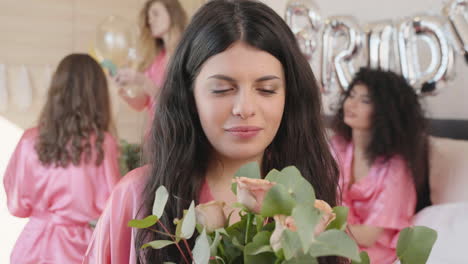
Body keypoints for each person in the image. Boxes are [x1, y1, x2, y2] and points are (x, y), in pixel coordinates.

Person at [83, 1, 342, 263]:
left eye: (266, 90)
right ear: (189, 95)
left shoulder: (311, 199)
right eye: (222, 89)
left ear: (290, 97)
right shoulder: (137, 195)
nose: (245, 108)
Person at [3, 54, 121, 264]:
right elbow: (112, 206)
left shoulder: (29, 140)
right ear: (97, 95)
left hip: (32, 248)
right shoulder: (104, 144)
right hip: (80, 250)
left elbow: (16, 206)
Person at [330, 68, 431, 263]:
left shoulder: (396, 168)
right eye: (351, 95)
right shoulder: (336, 147)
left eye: (365, 100)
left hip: (371, 249)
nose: (351, 104)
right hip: (333, 236)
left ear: (384, 111)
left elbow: (369, 236)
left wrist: (323, 229)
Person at [114, 0, 187, 114]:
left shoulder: (186, 56)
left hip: (177, 131)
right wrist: (125, 90)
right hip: (154, 131)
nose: (150, 20)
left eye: (156, 14)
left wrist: (143, 81)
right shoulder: (156, 60)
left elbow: (176, 105)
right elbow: (142, 103)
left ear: (172, 13)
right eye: (149, 17)